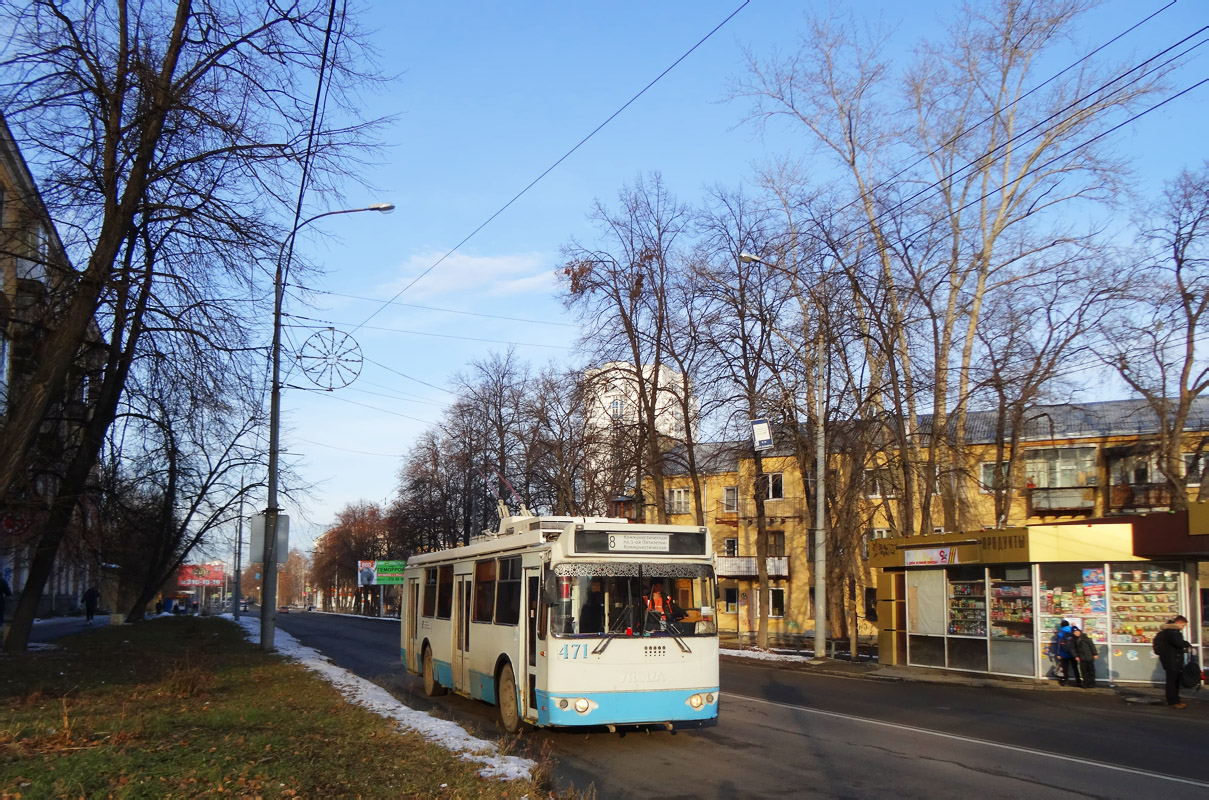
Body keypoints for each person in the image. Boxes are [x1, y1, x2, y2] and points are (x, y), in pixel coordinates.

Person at [1154, 615, 1193, 709]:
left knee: (1173, 681)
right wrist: (1187, 644)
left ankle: (1175, 700)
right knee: (1172, 681)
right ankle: (1173, 701)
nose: (1183, 628)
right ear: (1178, 623)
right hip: (1172, 660)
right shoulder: (1172, 632)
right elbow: (1178, 643)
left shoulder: (1167, 631)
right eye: (1183, 625)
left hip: (1169, 659)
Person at [1055, 620, 1078, 686]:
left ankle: (1066, 680)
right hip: (1073, 653)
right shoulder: (1073, 630)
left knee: (1065, 668)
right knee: (1075, 667)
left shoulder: (1061, 633)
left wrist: (1058, 653)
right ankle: (1078, 680)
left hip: (1064, 653)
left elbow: (1059, 644)